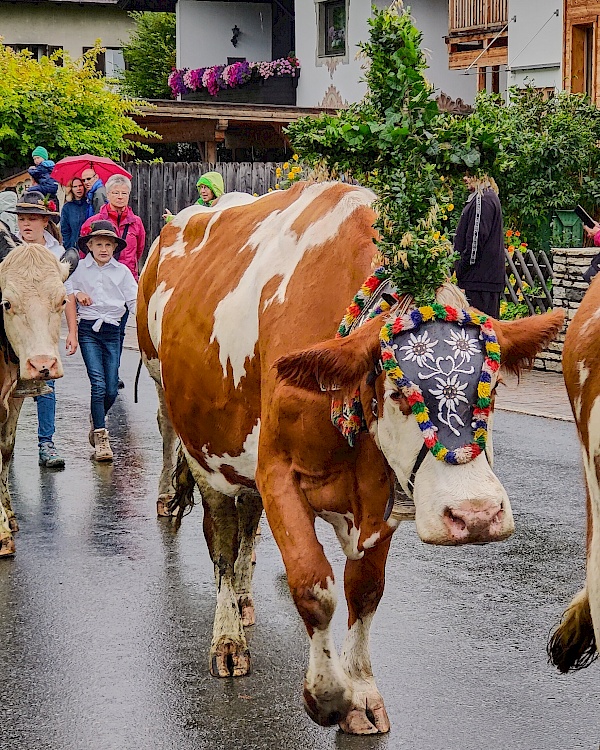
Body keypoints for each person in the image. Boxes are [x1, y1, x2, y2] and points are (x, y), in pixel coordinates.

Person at [8, 191, 78, 468]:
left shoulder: (58, 255)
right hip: (15, 336)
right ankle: (7, 442)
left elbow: (67, 295)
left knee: (46, 387)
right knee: (9, 391)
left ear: (45, 222)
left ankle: (46, 442)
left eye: (33, 218)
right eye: (23, 218)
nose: (27, 224)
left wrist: (72, 331)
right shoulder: (8, 251)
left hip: (44, 335)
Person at [71, 220, 137, 462]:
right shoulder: (80, 269)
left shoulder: (122, 272)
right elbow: (66, 287)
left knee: (111, 387)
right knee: (98, 384)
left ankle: (97, 416)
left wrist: (147, 325)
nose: (103, 249)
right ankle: (101, 437)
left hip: (112, 330)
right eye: (98, 244)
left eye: (108, 244)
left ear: (114, 247)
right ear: (89, 245)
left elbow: (134, 300)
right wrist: (78, 294)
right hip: (88, 329)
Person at [79, 174, 145, 386]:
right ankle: (103, 372)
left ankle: (112, 373)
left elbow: (139, 249)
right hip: (99, 281)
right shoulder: (93, 223)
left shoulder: (135, 223)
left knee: (119, 330)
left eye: (124, 193)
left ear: (129, 195)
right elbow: (83, 254)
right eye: (115, 193)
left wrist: (130, 271)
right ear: (107, 195)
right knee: (99, 329)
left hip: (124, 281)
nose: (119, 197)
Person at [453, 174, 505, 318]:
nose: (464, 178)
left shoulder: (483, 199)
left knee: (480, 332)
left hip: (479, 281)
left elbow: (475, 243)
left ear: (481, 176)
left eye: (469, 175)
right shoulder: (485, 197)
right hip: (482, 280)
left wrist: (460, 269)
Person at [60, 177, 88, 249]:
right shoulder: (67, 207)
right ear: (71, 189)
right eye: (75, 186)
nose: (78, 188)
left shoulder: (89, 204)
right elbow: (65, 229)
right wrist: (68, 245)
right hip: (74, 246)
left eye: (80, 185)